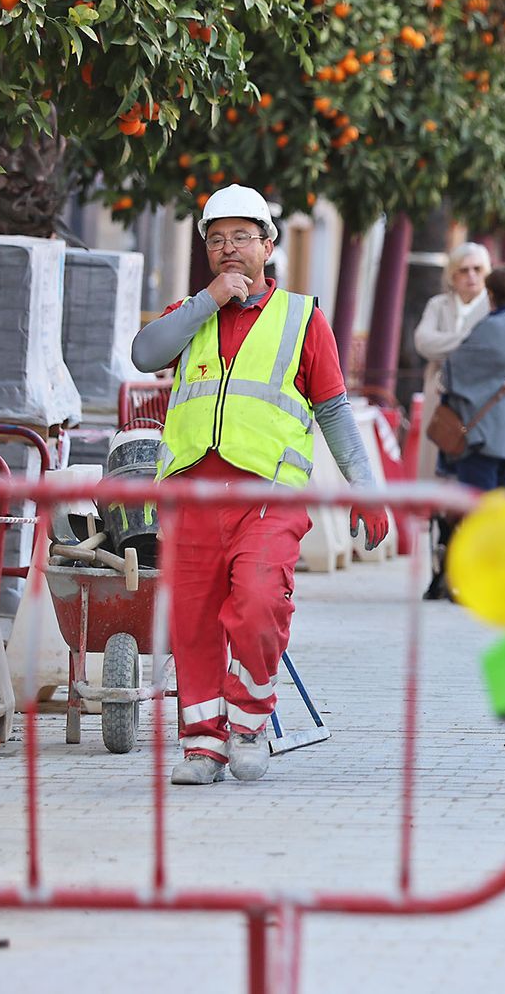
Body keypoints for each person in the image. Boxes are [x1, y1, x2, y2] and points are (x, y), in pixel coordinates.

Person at [131, 184, 388, 785]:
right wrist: (209, 301)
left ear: (268, 247)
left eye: (242, 238)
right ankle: (202, 744)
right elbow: (145, 354)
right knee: (192, 622)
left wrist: (365, 487)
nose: (228, 250)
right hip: (191, 494)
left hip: (268, 496)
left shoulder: (303, 317)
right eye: (216, 241)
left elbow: (334, 411)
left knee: (256, 603)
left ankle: (248, 720)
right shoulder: (190, 314)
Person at [440, 265, 505, 495]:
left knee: (477, 509)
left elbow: (453, 369)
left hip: (483, 437)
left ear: (492, 294)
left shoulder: (493, 326)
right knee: (499, 506)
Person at [413, 242, 492, 479]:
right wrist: (469, 342)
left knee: (471, 468)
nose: (471, 275)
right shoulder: (438, 305)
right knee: (435, 461)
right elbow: (423, 342)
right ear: (452, 275)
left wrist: (446, 345)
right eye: (463, 270)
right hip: (439, 393)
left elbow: (491, 350)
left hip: (477, 397)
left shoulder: (494, 307)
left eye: (477, 269)